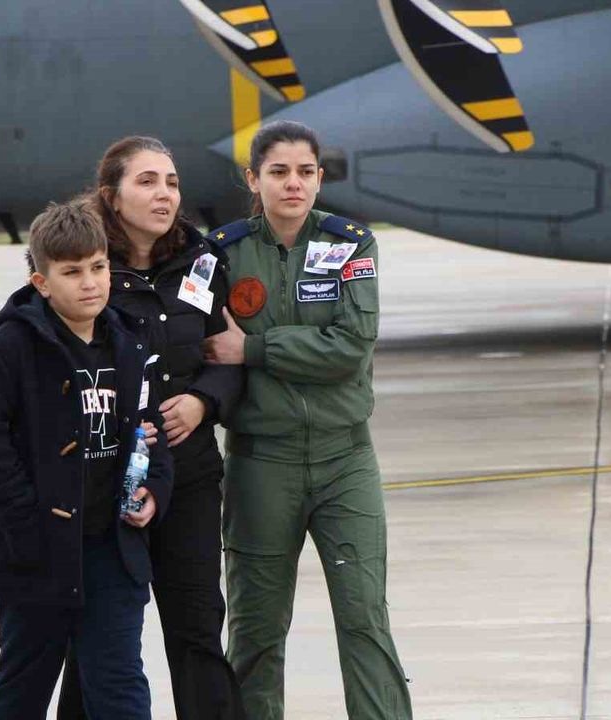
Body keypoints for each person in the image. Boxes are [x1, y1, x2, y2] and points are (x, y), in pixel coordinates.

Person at [203, 120, 413, 720]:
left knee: (365, 617)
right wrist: (291, 346)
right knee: (254, 632)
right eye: (278, 171)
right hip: (259, 463)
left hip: (345, 460)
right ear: (254, 179)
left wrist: (256, 349)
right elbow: (204, 349)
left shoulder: (352, 245)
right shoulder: (221, 254)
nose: (293, 183)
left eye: (305, 171)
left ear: (320, 178)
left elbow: (352, 347)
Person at [0, 199, 173, 719]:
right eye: (71, 272)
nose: (89, 282)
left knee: (119, 683)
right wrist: (25, 518)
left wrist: (154, 492)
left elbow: (153, 429)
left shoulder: (130, 344)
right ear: (41, 282)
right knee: (24, 685)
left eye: (97, 267)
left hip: (111, 550)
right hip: (34, 553)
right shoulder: (11, 347)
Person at [57, 137, 245, 720]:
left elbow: (228, 356)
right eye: (147, 182)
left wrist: (202, 403)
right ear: (111, 196)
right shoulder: (85, 268)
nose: (164, 194)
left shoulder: (204, 262)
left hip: (187, 476)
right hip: (106, 481)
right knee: (104, 641)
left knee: (197, 629)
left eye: (171, 181)